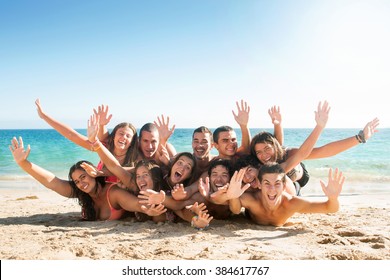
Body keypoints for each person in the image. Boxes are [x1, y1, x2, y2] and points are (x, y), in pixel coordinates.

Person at [9, 137, 166, 221]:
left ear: (92, 174)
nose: (81, 183)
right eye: (77, 181)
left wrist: (148, 209)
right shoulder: (82, 192)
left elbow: (136, 205)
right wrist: (23, 163)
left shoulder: (113, 192)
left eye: (83, 177)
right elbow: (52, 182)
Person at [250, 112, 379, 193]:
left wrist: (359, 138)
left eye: (267, 149)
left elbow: (323, 151)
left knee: (287, 162)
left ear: (274, 146)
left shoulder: (290, 154)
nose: (264, 155)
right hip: (281, 180)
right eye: (259, 152)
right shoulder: (258, 165)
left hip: (298, 178)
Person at [35, 99, 139, 188]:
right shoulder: (104, 148)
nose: (123, 138)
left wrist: (100, 172)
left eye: (128, 136)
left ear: (132, 142)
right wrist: (44, 116)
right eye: (121, 133)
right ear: (114, 136)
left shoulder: (136, 156)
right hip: (101, 194)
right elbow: (72, 135)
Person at [223, 162, 345, 227]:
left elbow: (330, 208)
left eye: (277, 184)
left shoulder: (292, 203)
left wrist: (333, 198)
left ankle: (297, 175)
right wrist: (233, 196)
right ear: (259, 184)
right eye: (267, 183)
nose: (272, 189)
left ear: (283, 185)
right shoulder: (253, 200)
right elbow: (236, 209)